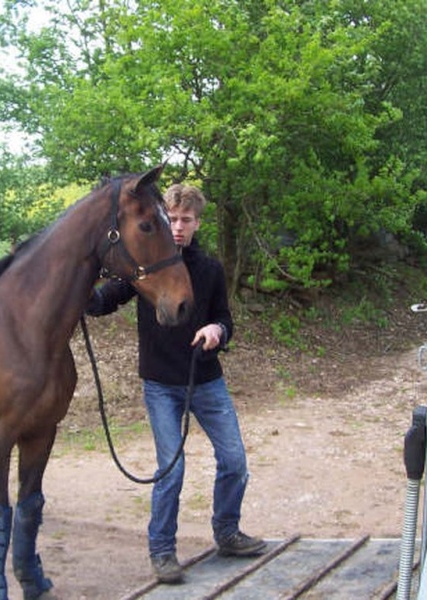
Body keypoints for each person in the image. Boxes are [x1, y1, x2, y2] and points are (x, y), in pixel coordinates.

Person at [86, 183, 266, 584]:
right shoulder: (145, 265)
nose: (180, 226)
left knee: (235, 462)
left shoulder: (210, 270)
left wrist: (217, 330)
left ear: (198, 223)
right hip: (161, 385)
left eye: (187, 219)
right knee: (172, 469)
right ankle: (163, 551)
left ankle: (227, 532)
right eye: (173, 218)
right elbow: (107, 299)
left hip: (206, 381)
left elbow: (226, 321)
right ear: (164, 219)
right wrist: (80, 294)